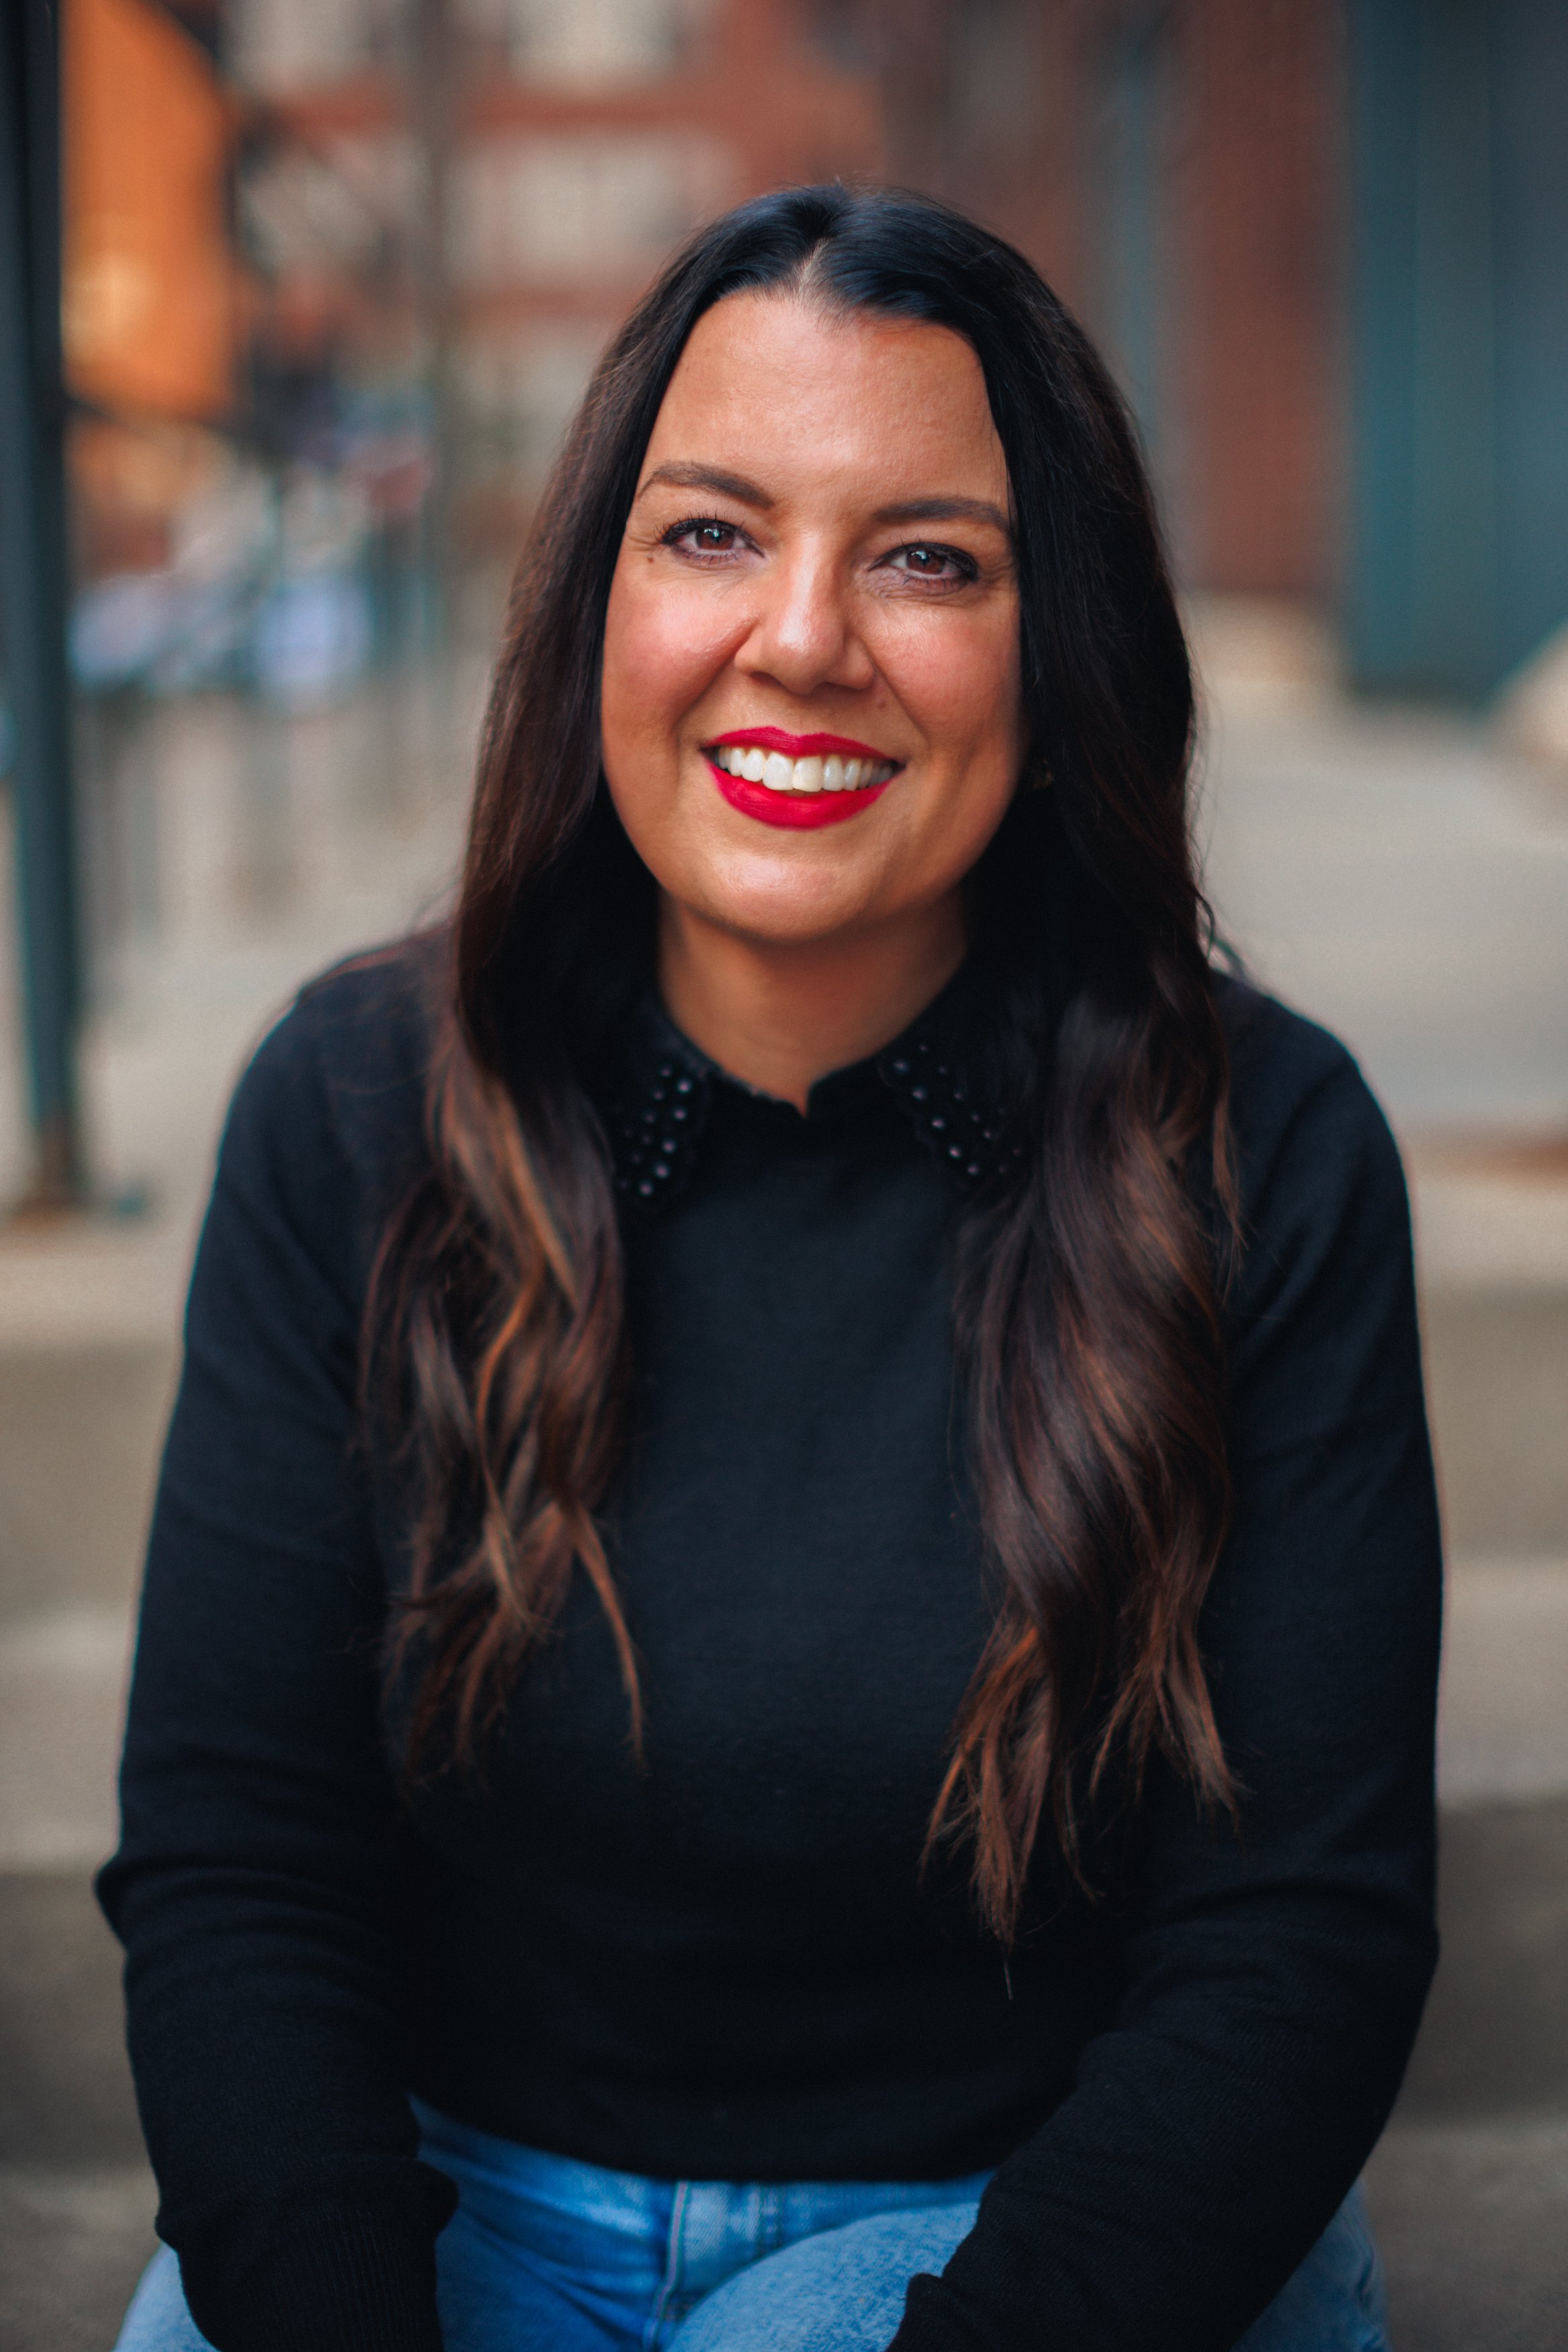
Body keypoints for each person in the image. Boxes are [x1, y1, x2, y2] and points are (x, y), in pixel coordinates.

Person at [101, 185, 1440, 2352]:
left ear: (1058, 648)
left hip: (1017, 2221)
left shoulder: (1261, 1147)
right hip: (450, 2201)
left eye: (929, 558)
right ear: (597, 602)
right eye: (713, 531)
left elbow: (1300, 1937)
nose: (802, 635)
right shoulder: (355, 1105)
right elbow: (241, 1851)